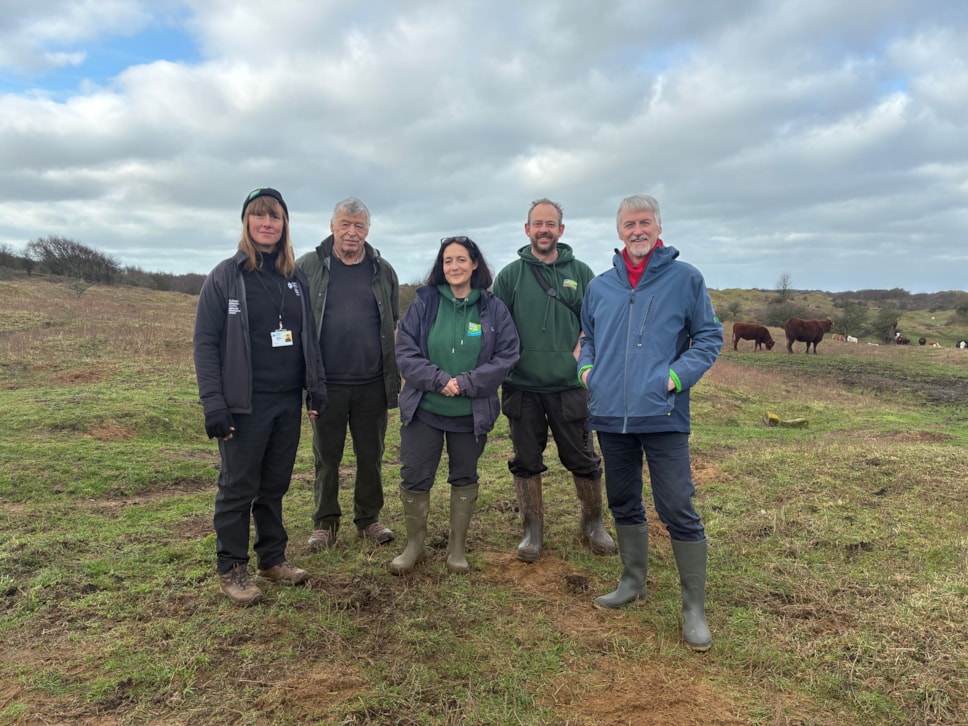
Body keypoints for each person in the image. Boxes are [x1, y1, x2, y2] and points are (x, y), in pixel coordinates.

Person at [578, 194, 722, 652]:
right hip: (609, 416)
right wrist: (587, 372)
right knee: (623, 500)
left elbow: (709, 337)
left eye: (644, 222)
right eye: (628, 223)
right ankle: (632, 581)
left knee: (677, 504)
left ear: (658, 228)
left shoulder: (685, 279)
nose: (637, 230)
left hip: (663, 414)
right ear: (618, 230)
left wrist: (676, 377)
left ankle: (693, 607)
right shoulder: (600, 286)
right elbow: (588, 339)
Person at [194, 187, 327, 606]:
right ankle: (233, 569)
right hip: (243, 406)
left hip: (286, 403)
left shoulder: (294, 278)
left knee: (274, 485)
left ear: (285, 225)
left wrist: (315, 387)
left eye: (275, 217)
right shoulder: (226, 276)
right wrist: (214, 404)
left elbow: (307, 337)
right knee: (238, 487)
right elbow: (205, 344)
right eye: (259, 216)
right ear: (246, 223)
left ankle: (272, 559)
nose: (267, 223)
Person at [493, 198, 616, 562]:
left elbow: (598, 323)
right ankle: (532, 529)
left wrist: (584, 347)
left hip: (569, 386)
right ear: (527, 229)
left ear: (561, 230)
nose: (544, 229)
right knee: (526, 460)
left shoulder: (581, 272)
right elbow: (495, 324)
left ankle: (592, 522)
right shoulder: (510, 275)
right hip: (522, 386)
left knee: (582, 458)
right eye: (537, 223)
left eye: (551, 224)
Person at [390, 236, 519, 575]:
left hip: (470, 414)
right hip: (424, 411)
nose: (454, 267)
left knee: (464, 476)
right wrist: (439, 380)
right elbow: (405, 351)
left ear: (475, 264)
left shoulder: (494, 308)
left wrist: (465, 383)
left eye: (461, 260)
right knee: (415, 476)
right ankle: (414, 545)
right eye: (448, 261)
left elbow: (507, 355)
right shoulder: (424, 303)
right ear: (441, 266)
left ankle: (456, 548)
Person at [296, 198, 400, 549]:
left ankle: (368, 518)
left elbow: (392, 323)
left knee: (371, 455)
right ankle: (324, 522)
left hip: (372, 382)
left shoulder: (382, 270)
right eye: (345, 224)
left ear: (367, 230)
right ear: (332, 226)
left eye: (359, 226)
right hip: (326, 385)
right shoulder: (308, 267)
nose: (352, 232)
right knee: (327, 455)